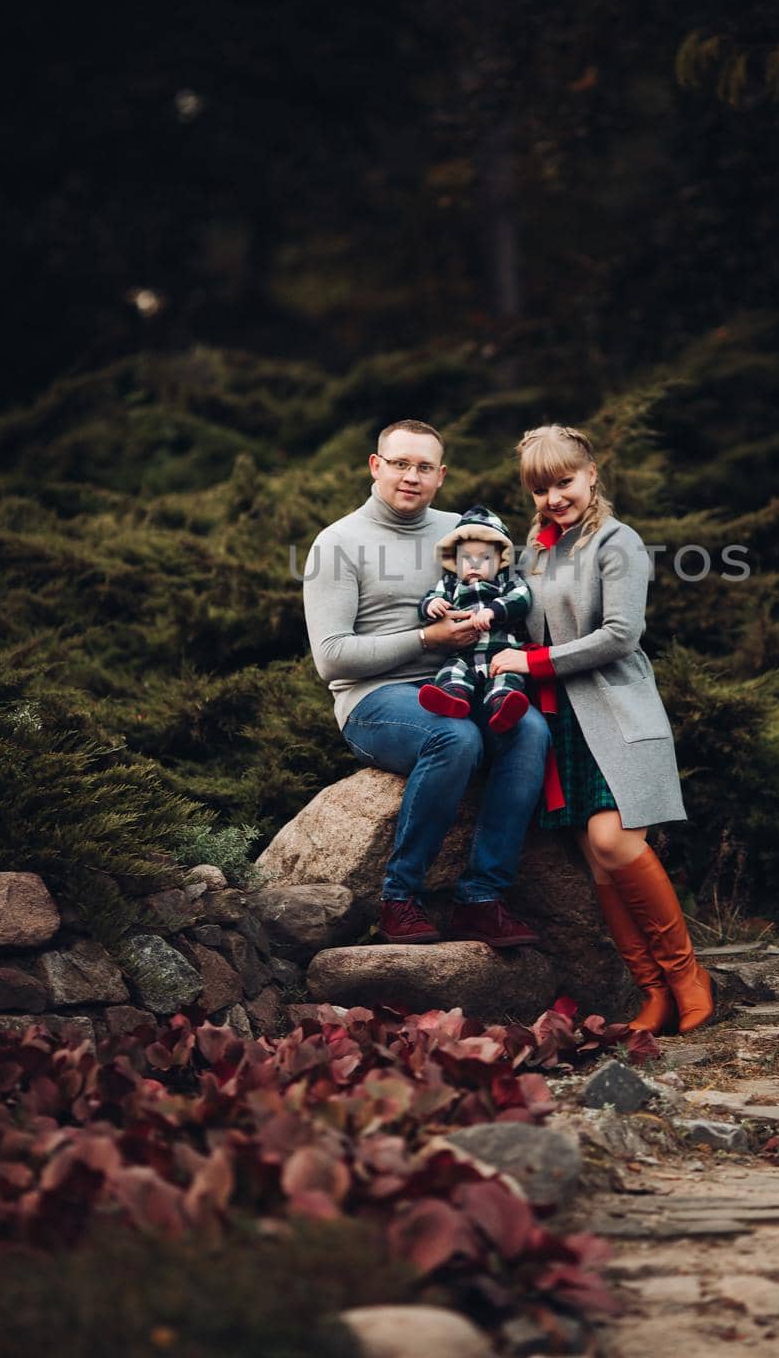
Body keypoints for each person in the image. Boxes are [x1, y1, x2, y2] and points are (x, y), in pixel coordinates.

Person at [489, 423, 714, 1033]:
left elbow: (621, 635)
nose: (553, 497)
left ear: (591, 475)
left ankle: (688, 975)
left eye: (564, 481)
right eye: (540, 488)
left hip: (613, 711)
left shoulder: (618, 542)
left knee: (616, 843)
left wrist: (533, 662)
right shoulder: (533, 551)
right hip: (556, 724)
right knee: (597, 859)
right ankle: (653, 992)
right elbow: (515, 622)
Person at [303, 419, 549, 948]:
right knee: (453, 737)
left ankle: (482, 899)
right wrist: (428, 637)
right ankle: (399, 899)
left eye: (422, 467)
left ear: (440, 476)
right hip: (374, 699)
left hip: (469, 680)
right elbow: (330, 658)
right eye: (399, 464)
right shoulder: (338, 543)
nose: (410, 477)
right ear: (376, 466)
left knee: (528, 730)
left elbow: (522, 591)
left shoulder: (465, 532)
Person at [417, 504, 531, 733]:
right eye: (466, 559)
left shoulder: (504, 581)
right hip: (463, 655)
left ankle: (503, 707)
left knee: (507, 679)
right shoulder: (450, 583)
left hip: (500, 654)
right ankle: (452, 699)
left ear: (500, 561)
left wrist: (493, 610)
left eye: (484, 558)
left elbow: (522, 597)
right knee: (451, 673)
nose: (474, 565)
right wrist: (432, 605)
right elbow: (429, 600)